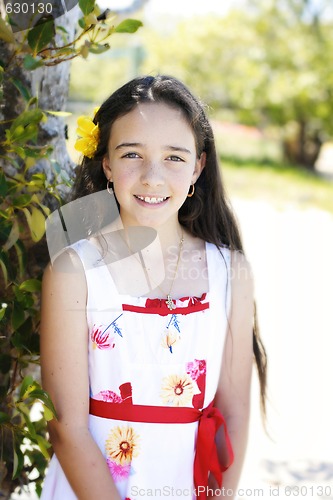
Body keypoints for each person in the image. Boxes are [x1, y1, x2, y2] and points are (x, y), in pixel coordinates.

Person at [40, 75, 267, 500]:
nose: (152, 177)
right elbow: (67, 428)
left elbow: (233, 416)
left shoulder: (230, 271)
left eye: (174, 158)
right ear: (106, 163)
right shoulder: (74, 271)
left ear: (198, 166)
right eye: (131, 155)